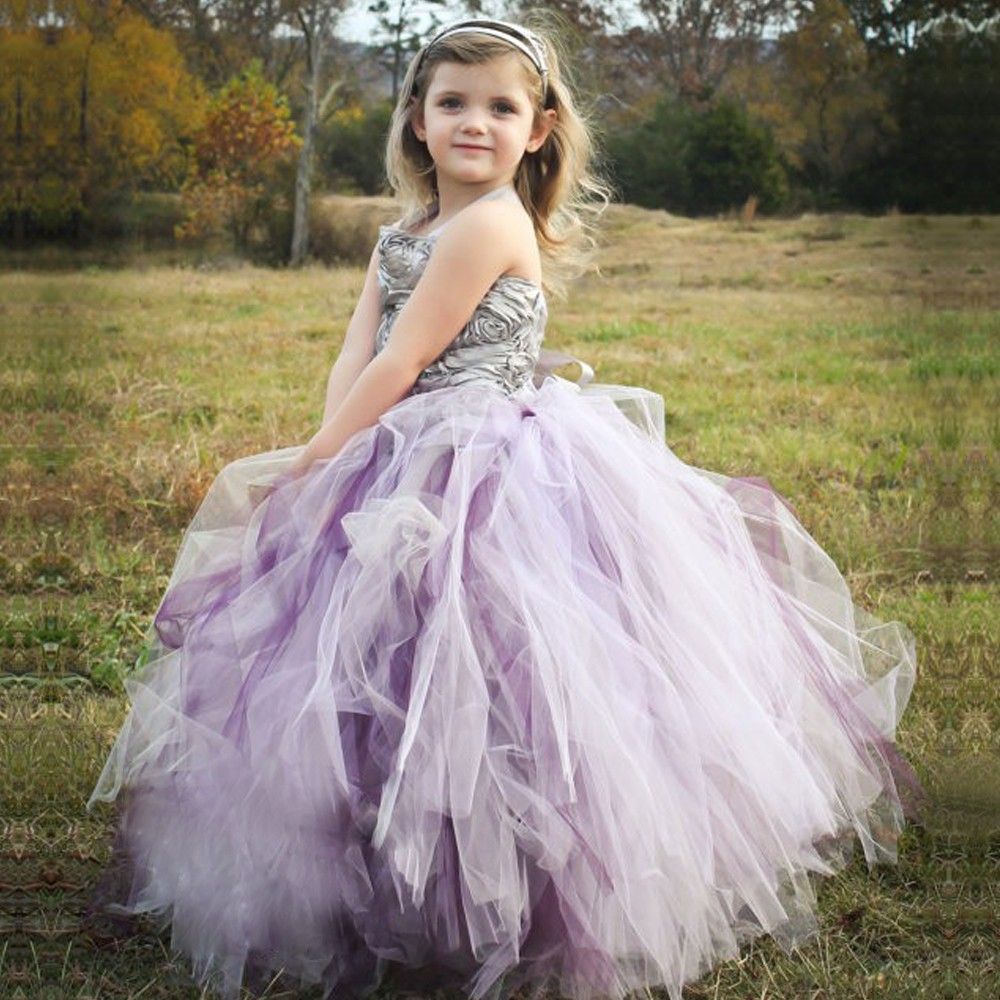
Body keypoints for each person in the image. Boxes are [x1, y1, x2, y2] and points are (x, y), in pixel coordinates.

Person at [85, 16, 925, 1000]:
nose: (473, 122)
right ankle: (379, 876)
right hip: (397, 448)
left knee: (491, 673)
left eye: (499, 106)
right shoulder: (403, 234)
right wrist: (328, 456)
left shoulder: (490, 222)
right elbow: (358, 355)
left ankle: (511, 898)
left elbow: (406, 361)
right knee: (379, 671)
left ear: (537, 129)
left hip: (491, 459)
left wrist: (317, 461)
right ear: (416, 120)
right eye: (452, 103)